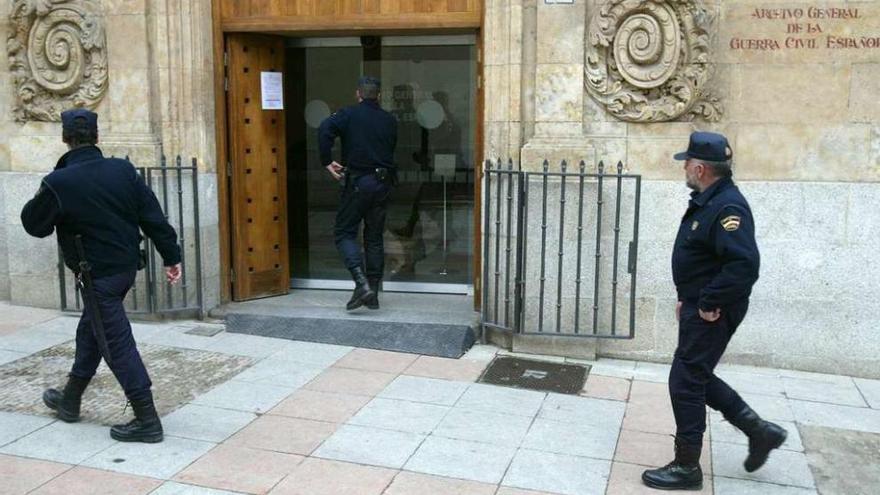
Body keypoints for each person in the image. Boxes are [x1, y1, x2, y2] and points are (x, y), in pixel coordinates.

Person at [20, 108, 182, 443]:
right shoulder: (121, 170)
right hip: (123, 272)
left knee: (116, 344)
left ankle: (147, 420)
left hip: (97, 277)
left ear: (65, 139)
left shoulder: (59, 182)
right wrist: (171, 257)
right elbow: (153, 217)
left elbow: (34, 225)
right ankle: (71, 398)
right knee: (92, 331)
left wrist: (51, 187)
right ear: (97, 137)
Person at [642, 131, 788, 490]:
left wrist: (708, 302)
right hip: (700, 304)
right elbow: (704, 258)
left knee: (685, 379)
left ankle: (687, 466)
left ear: (701, 167)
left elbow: (743, 265)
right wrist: (687, 296)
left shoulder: (727, 208)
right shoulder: (710, 200)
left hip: (713, 310)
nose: (685, 170)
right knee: (696, 375)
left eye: (688, 164)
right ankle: (759, 431)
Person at [318, 76, 398, 310]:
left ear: (358, 94)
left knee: (344, 233)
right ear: (379, 95)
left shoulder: (349, 114)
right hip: (383, 185)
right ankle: (371, 292)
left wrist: (326, 161)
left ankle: (361, 282)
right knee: (374, 238)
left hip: (358, 183)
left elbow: (324, 129)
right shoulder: (390, 120)